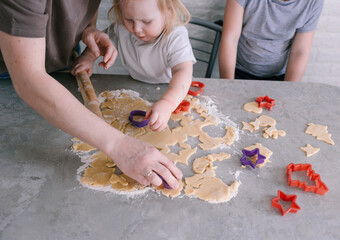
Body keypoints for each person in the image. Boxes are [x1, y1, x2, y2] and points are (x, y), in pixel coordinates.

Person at [0, 1, 182, 189]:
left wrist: (89, 27)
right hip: (8, 70)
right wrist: (119, 146)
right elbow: (28, 80)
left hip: (62, 56)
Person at [70, 0, 196, 132]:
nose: (136, 29)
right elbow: (101, 43)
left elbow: (183, 70)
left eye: (146, 21)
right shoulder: (121, 29)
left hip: (172, 90)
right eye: (128, 19)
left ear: (168, 11)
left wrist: (168, 103)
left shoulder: (175, 36)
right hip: (134, 85)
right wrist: (88, 57)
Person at [219, 0, 324, 81]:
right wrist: (229, 84)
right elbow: (230, 39)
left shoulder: (313, 2)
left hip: (280, 77)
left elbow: (300, 51)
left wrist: (289, 90)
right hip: (238, 72)